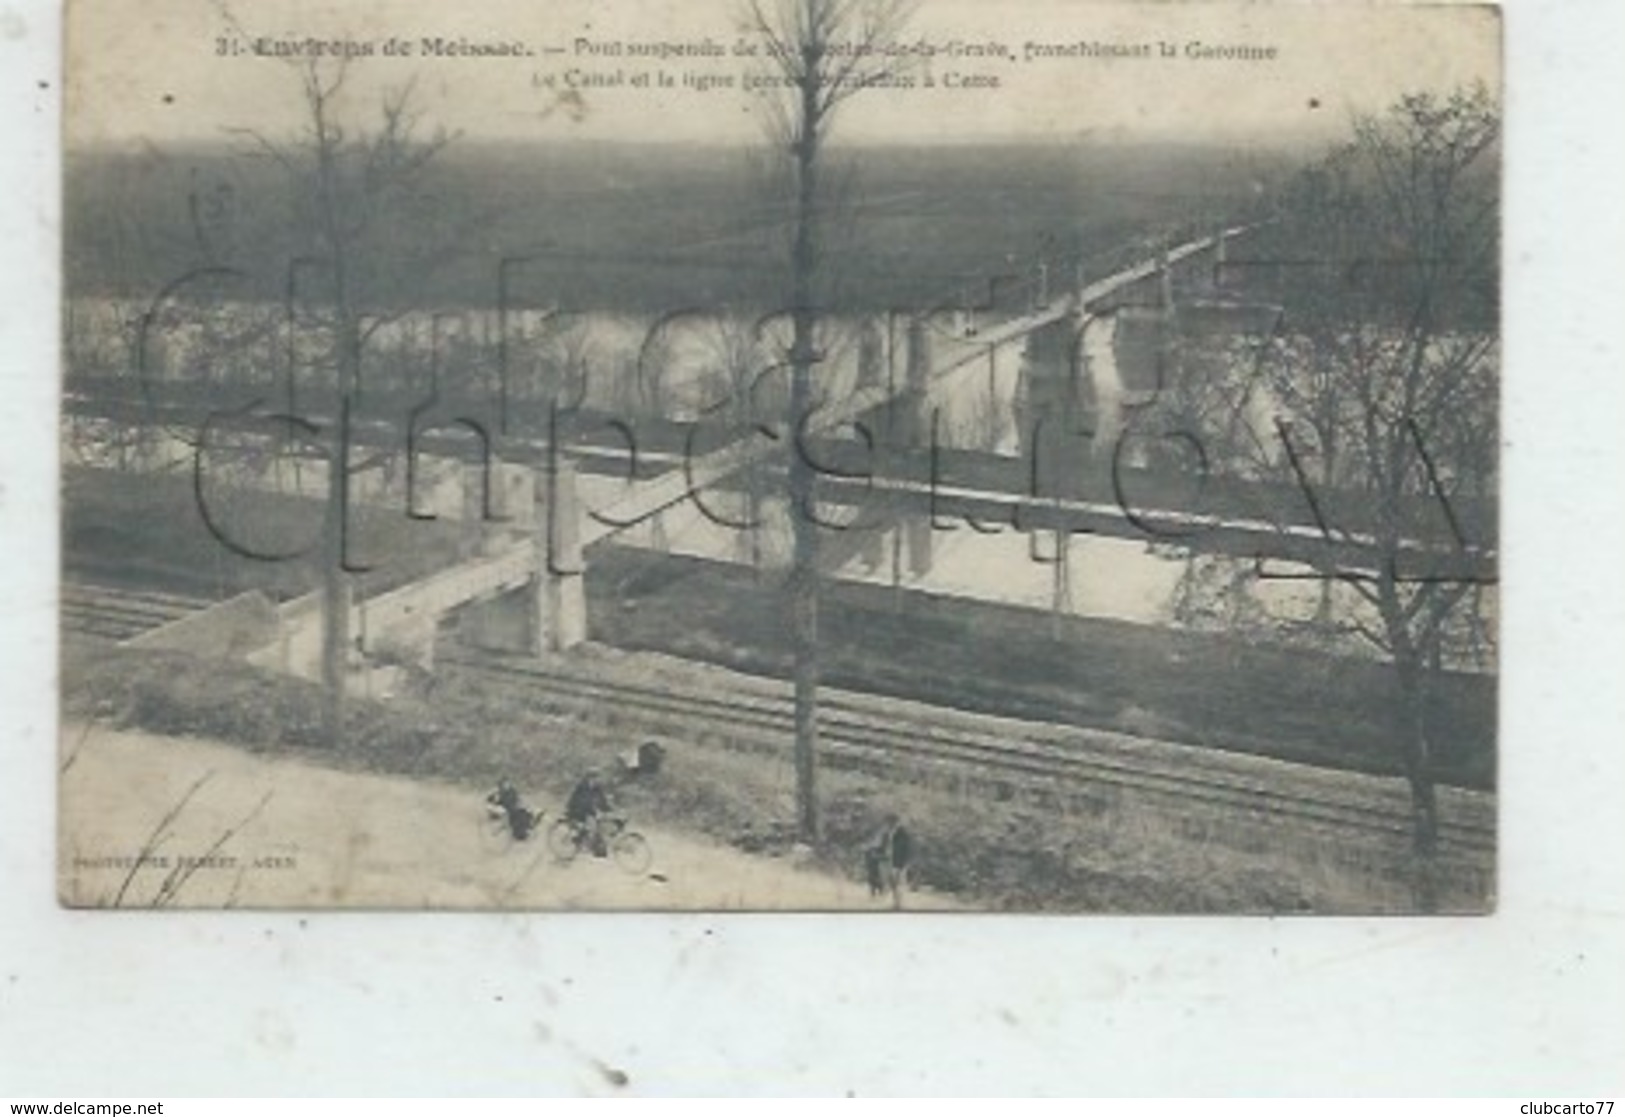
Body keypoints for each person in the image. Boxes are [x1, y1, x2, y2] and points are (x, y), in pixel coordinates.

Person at [866, 814, 914, 909]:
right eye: (887, 823)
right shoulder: (888, 834)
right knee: (892, 883)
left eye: (889, 822)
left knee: (897, 883)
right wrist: (875, 851)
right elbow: (883, 847)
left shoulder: (902, 833)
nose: (887, 825)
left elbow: (907, 849)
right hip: (889, 861)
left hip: (899, 862)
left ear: (894, 822)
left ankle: (898, 904)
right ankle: (895, 903)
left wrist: (905, 863)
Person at [565, 769, 615, 857]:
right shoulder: (582, 786)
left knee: (598, 824)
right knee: (586, 826)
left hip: (588, 809)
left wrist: (607, 808)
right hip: (577, 808)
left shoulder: (597, 787)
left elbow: (602, 798)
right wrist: (594, 810)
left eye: (597, 778)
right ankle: (579, 841)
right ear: (589, 778)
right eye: (594, 778)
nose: (596, 780)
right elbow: (581, 800)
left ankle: (597, 848)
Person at [486, 776, 540, 841]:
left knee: (525, 812)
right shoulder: (499, 792)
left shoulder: (512, 791)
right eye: (505, 784)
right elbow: (491, 801)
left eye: (507, 783)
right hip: (507, 810)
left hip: (514, 808)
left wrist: (523, 805)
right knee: (519, 815)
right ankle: (522, 832)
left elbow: (518, 799)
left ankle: (528, 827)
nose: (507, 785)